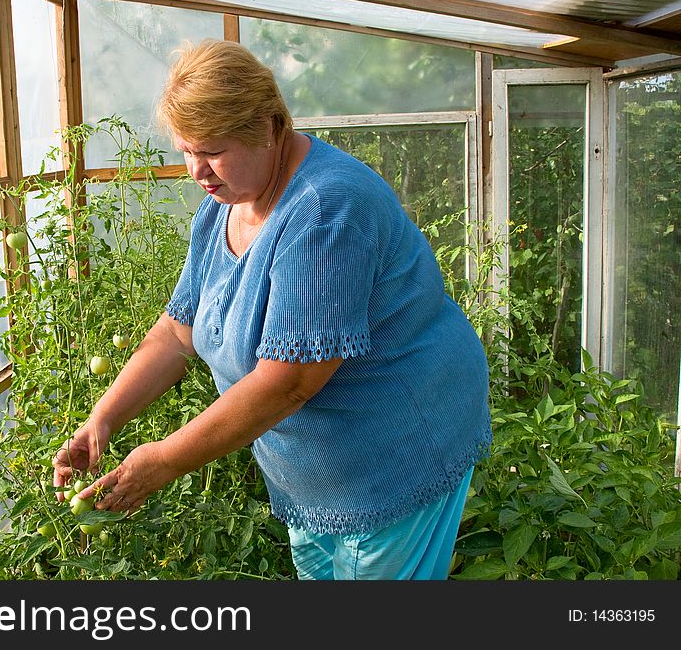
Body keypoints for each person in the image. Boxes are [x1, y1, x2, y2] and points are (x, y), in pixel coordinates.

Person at [53, 38, 492, 580]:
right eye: (187, 150)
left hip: (390, 452)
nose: (197, 170)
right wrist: (104, 418)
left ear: (268, 126)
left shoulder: (324, 212)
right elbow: (176, 332)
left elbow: (290, 383)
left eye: (213, 150)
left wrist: (164, 460)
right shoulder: (226, 206)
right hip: (313, 472)